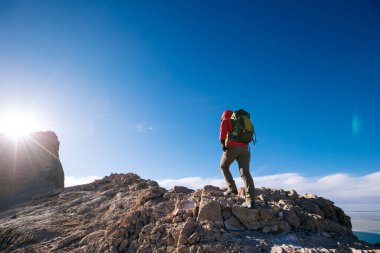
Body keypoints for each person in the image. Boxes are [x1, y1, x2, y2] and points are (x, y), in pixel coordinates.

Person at [219, 110, 256, 208]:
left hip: (233, 146)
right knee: (246, 173)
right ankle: (251, 201)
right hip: (245, 148)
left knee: (224, 166)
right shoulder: (241, 122)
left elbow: (223, 130)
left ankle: (232, 189)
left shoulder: (226, 120)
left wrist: (223, 143)